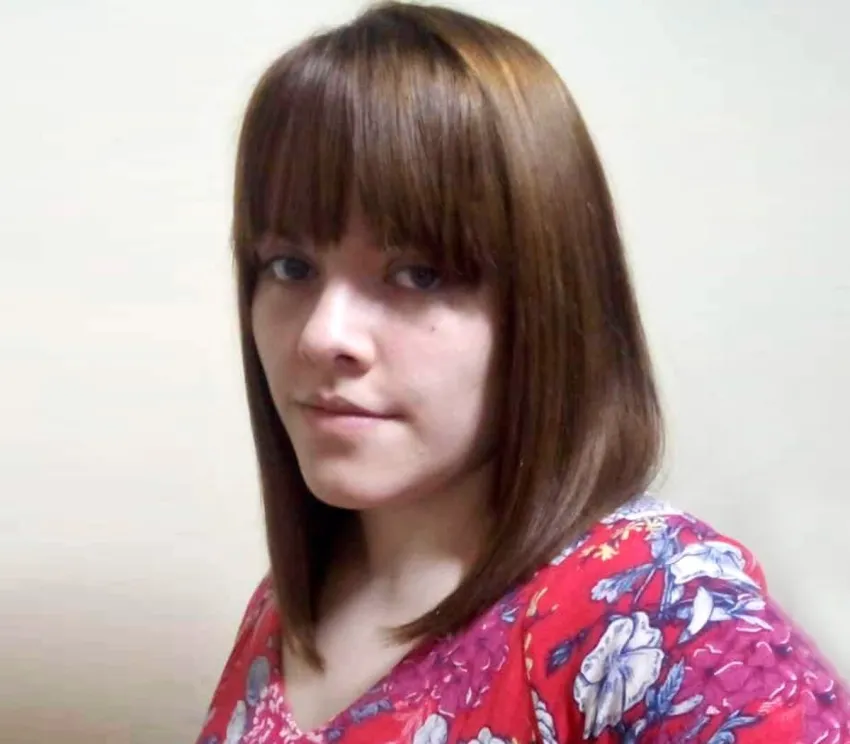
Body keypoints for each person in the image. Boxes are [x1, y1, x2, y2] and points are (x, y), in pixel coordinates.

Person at [196, 3, 849, 742]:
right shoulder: (290, 601)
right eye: (289, 267)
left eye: (417, 274)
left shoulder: (668, 624)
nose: (322, 335)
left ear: (547, 302)